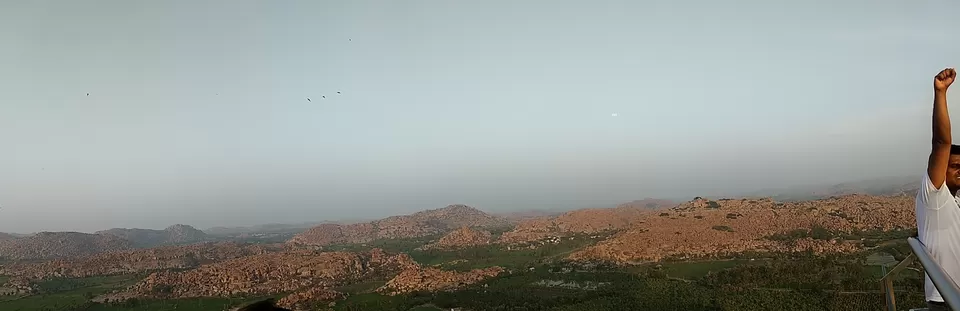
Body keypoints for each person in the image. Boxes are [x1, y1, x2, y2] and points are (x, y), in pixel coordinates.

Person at [918, 67, 959, 311]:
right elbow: (941, 143)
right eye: (953, 166)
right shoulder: (934, 196)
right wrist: (940, 93)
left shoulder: (955, 200)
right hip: (944, 300)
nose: (959, 170)